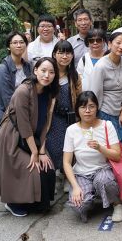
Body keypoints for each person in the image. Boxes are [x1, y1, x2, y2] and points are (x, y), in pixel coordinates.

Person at [0, 57, 59, 217]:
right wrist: (34, 154)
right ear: (35, 71)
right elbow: (23, 125)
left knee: (47, 167)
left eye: (51, 72)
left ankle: (36, 203)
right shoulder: (23, 91)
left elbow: (45, 124)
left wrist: (41, 152)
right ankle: (13, 202)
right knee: (31, 169)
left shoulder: (48, 93)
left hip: (32, 138)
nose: (47, 75)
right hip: (13, 137)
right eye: (43, 70)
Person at [63, 91, 122, 223]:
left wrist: (100, 148)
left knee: (104, 182)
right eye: (83, 107)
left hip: (102, 169)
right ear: (77, 110)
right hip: (81, 174)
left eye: (91, 106)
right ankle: (89, 201)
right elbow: (66, 162)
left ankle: (116, 203)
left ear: (97, 108)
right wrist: (74, 186)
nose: (87, 111)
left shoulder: (106, 125)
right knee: (78, 205)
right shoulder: (71, 130)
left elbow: (117, 156)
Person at [88, 32, 122, 166]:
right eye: (118, 43)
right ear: (109, 44)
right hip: (105, 112)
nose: (121, 46)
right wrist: (97, 118)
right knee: (110, 148)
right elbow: (95, 94)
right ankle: (113, 179)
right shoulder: (101, 66)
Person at [48, 41, 82, 171]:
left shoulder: (75, 76)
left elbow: (79, 99)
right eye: (61, 52)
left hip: (70, 119)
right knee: (54, 149)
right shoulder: (49, 73)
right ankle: (56, 179)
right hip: (53, 118)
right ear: (54, 54)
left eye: (68, 53)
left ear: (72, 56)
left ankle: (66, 176)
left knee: (68, 149)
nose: (64, 56)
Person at [0, 31, 31, 128]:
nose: (19, 45)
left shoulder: (27, 66)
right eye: (15, 43)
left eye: (21, 42)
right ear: (8, 47)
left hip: (25, 113)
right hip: (9, 118)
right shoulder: (2, 70)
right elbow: (7, 100)